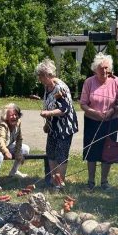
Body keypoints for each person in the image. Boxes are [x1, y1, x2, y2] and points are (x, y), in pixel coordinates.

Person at [80, 52, 118, 190]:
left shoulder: (116, 82)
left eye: (107, 68)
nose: (104, 71)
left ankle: (104, 181)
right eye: (101, 68)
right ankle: (90, 181)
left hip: (110, 122)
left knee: (108, 150)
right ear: (95, 69)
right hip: (92, 121)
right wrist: (95, 113)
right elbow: (83, 104)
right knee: (92, 151)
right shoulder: (89, 82)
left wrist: (113, 110)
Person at [36, 59, 78, 189]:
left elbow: (64, 109)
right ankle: (53, 180)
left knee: (61, 155)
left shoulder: (60, 87)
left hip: (65, 127)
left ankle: (60, 184)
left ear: (48, 75)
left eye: (41, 76)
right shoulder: (47, 87)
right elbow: (49, 104)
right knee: (51, 152)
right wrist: (47, 123)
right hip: (53, 126)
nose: (39, 79)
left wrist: (48, 114)